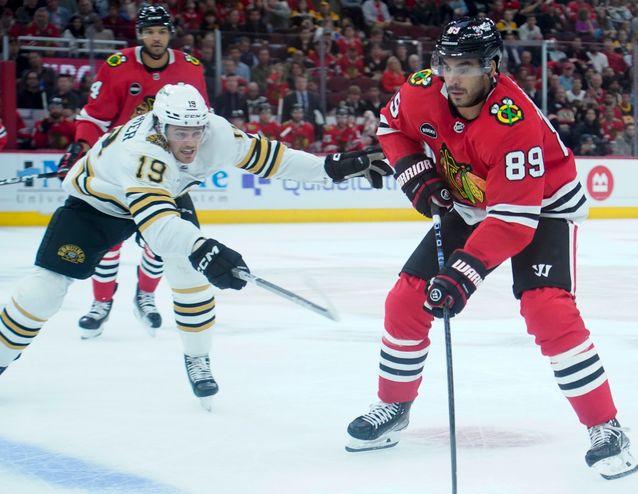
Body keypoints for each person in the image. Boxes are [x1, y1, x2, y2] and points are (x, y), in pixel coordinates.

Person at [345, 17, 638, 481]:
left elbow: (512, 222)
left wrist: (463, 274)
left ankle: (606, 427)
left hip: (540, 207)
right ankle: (393, 407)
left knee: (547, 310)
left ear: (492, 67)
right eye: (447, 65)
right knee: (405, 299)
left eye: (466, 67)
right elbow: (390, 126)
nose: (453, 78)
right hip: (474, 203)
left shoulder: (513, 121)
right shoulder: (424, 90)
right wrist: (415, 176)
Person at [0, 83, 390, 408]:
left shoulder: (215, 132)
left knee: (189, 273)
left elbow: (272, 159)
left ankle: (197, 357)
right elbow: (156, 227)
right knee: (45, 291)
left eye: (196, 132)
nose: (190, 143)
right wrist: (205, 247)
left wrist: (334, 167)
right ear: (160, 125)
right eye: (180, 133)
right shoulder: (144, 152)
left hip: (164, 196)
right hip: (96, 204)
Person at [57, 4, 211, 340]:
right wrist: (81, 148)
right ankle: (101, 303)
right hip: (118, 171)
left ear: (170, 34)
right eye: (150, 31)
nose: (156, 38)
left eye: (161, 31)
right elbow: (94, 118)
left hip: (164, 172)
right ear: (140, 34)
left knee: (161, 241)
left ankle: (145, 296)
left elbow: (203, 120)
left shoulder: (190, 68)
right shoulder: (117, 67)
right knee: (107, 243)